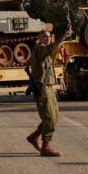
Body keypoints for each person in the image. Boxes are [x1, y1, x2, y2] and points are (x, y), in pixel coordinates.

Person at [26, 26, 72, 157]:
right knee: (49, 118)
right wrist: (63, 36)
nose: (47, 38)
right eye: (44, 36)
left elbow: (53, 51)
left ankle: (34, 137)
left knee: (54, 116)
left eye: (48, 36)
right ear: (39, 38)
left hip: (49, 87)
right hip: (42, 88)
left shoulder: (45, 50)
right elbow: (50, 48)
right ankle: (45, 146)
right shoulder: (40, 48)